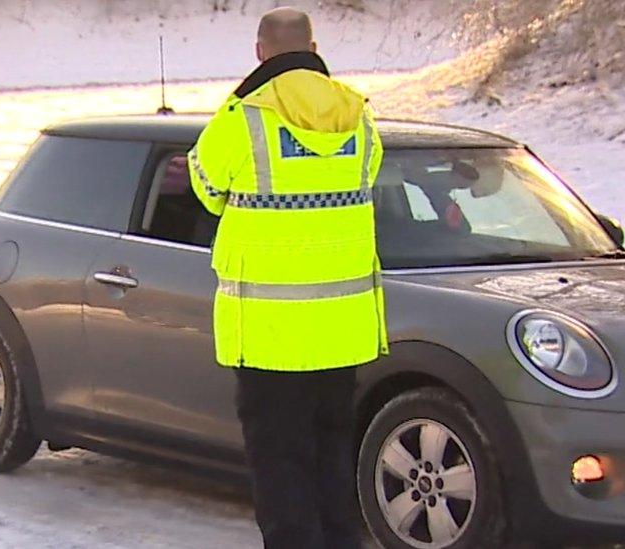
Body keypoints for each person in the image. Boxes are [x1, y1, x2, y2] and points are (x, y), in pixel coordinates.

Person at [187, 6, 387, 549]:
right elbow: (365, 182)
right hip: (341, 331)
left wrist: (237, 98)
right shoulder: (359, 117)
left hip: (271, 334)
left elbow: (203, 185)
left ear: (259, 52)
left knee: (280, 465)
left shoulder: (244, 118)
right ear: (313, 46)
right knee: (331, 458)